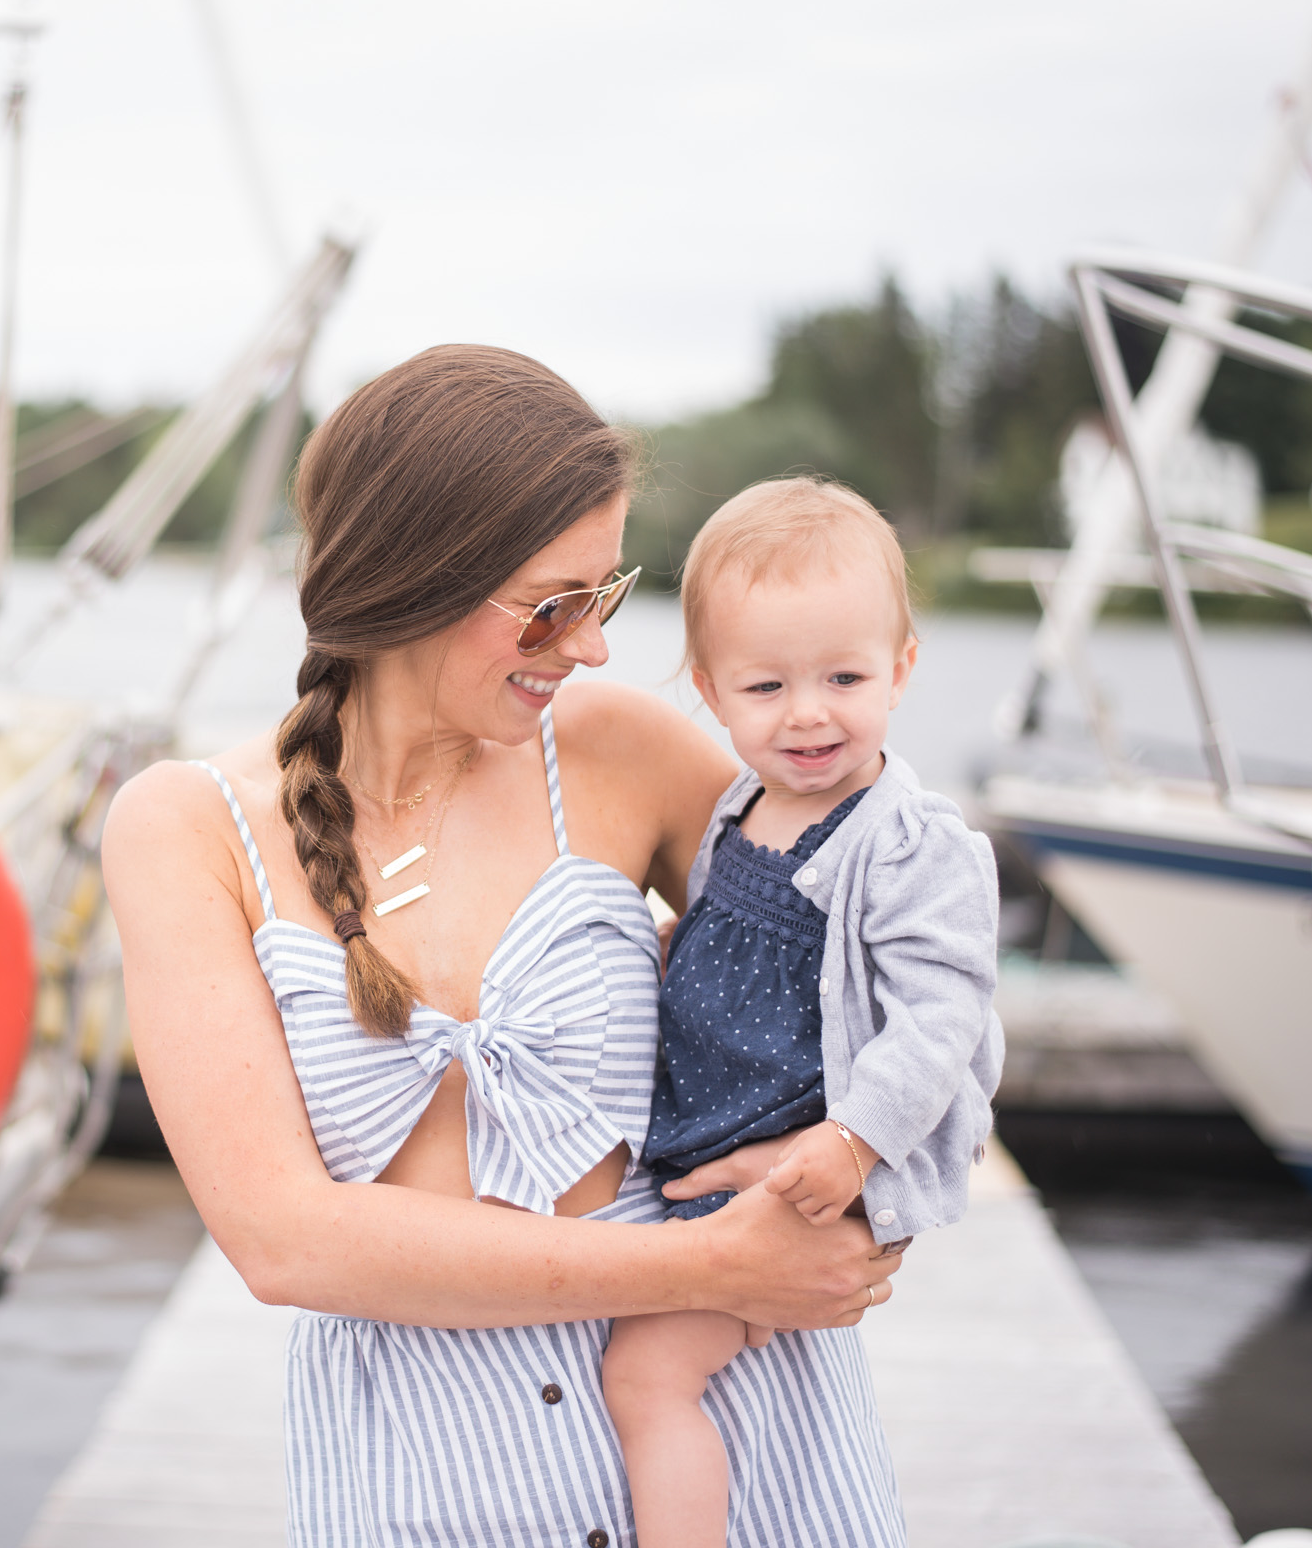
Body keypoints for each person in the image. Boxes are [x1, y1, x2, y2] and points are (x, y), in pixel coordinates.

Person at [103, 347, 908, 1548]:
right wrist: (710, 1269)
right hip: (433, 1491)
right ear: (406, 581)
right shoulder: (185, 830)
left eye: (605, 593)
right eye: (550, 604)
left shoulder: (625, 753)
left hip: (744, 1462)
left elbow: (906, 980)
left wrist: (856, 1186)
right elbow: (282, 1241)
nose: (586, 647)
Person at [600, 476, 1004, 1548]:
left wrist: (851, 1142)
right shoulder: (740, 805)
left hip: (804, 1172)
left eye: (843, 675)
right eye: (766, 685)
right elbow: (722, 943)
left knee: (645, 1375)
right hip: (709, 1143)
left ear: (901, 670)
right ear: (709, 692)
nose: (809, 712)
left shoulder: (908, 843)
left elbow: (939, 1018)